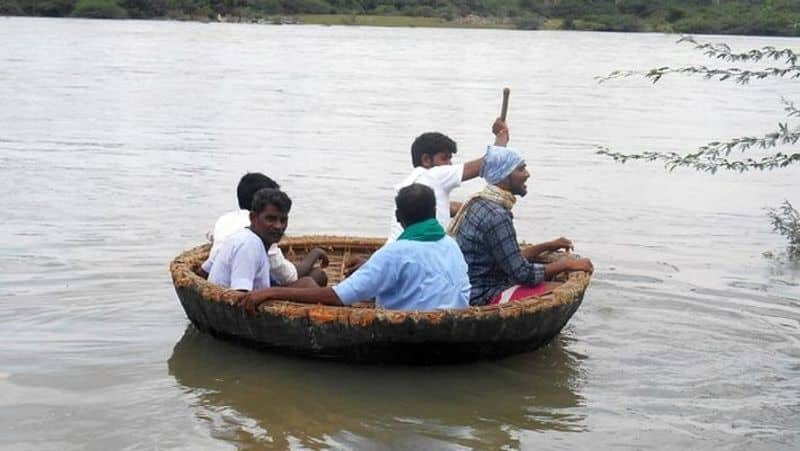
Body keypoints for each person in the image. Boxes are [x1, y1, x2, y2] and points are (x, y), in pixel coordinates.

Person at [239, 184, 470, 313]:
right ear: (434, 213)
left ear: (399, 217)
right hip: (455, 318)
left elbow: (337, 296)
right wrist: (372, 266)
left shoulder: (394, 253)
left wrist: (270, 292)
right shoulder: (451, 244)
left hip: (410, 326)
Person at [449, 146, 594, 306]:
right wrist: (566, 264)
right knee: (559, 289)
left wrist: (548, 245)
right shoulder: (497, 215)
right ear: (504, 177)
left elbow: (511, 258)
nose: (527, 174)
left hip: (471, 287)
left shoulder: (479, 202)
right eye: (521, 169)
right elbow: (523, 274)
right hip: (482, 294)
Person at [386, 118, 510, 242]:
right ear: (426, 160)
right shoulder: (436, 174)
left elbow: (440, 207)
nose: (450, 164)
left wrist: (463, 210)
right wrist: (502, 136)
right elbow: (491, 163)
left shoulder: (408, 183)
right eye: (444, 159)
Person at [207, 172, 328, 286]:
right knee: (315, 278)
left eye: (283, 220)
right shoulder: (252, 243)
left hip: (232, 278)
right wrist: (315, 253)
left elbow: (205, 265)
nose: (278, 226)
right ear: (254, 216)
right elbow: (288, 276)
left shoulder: (225, 219)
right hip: (239, 286)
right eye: (271, 218)